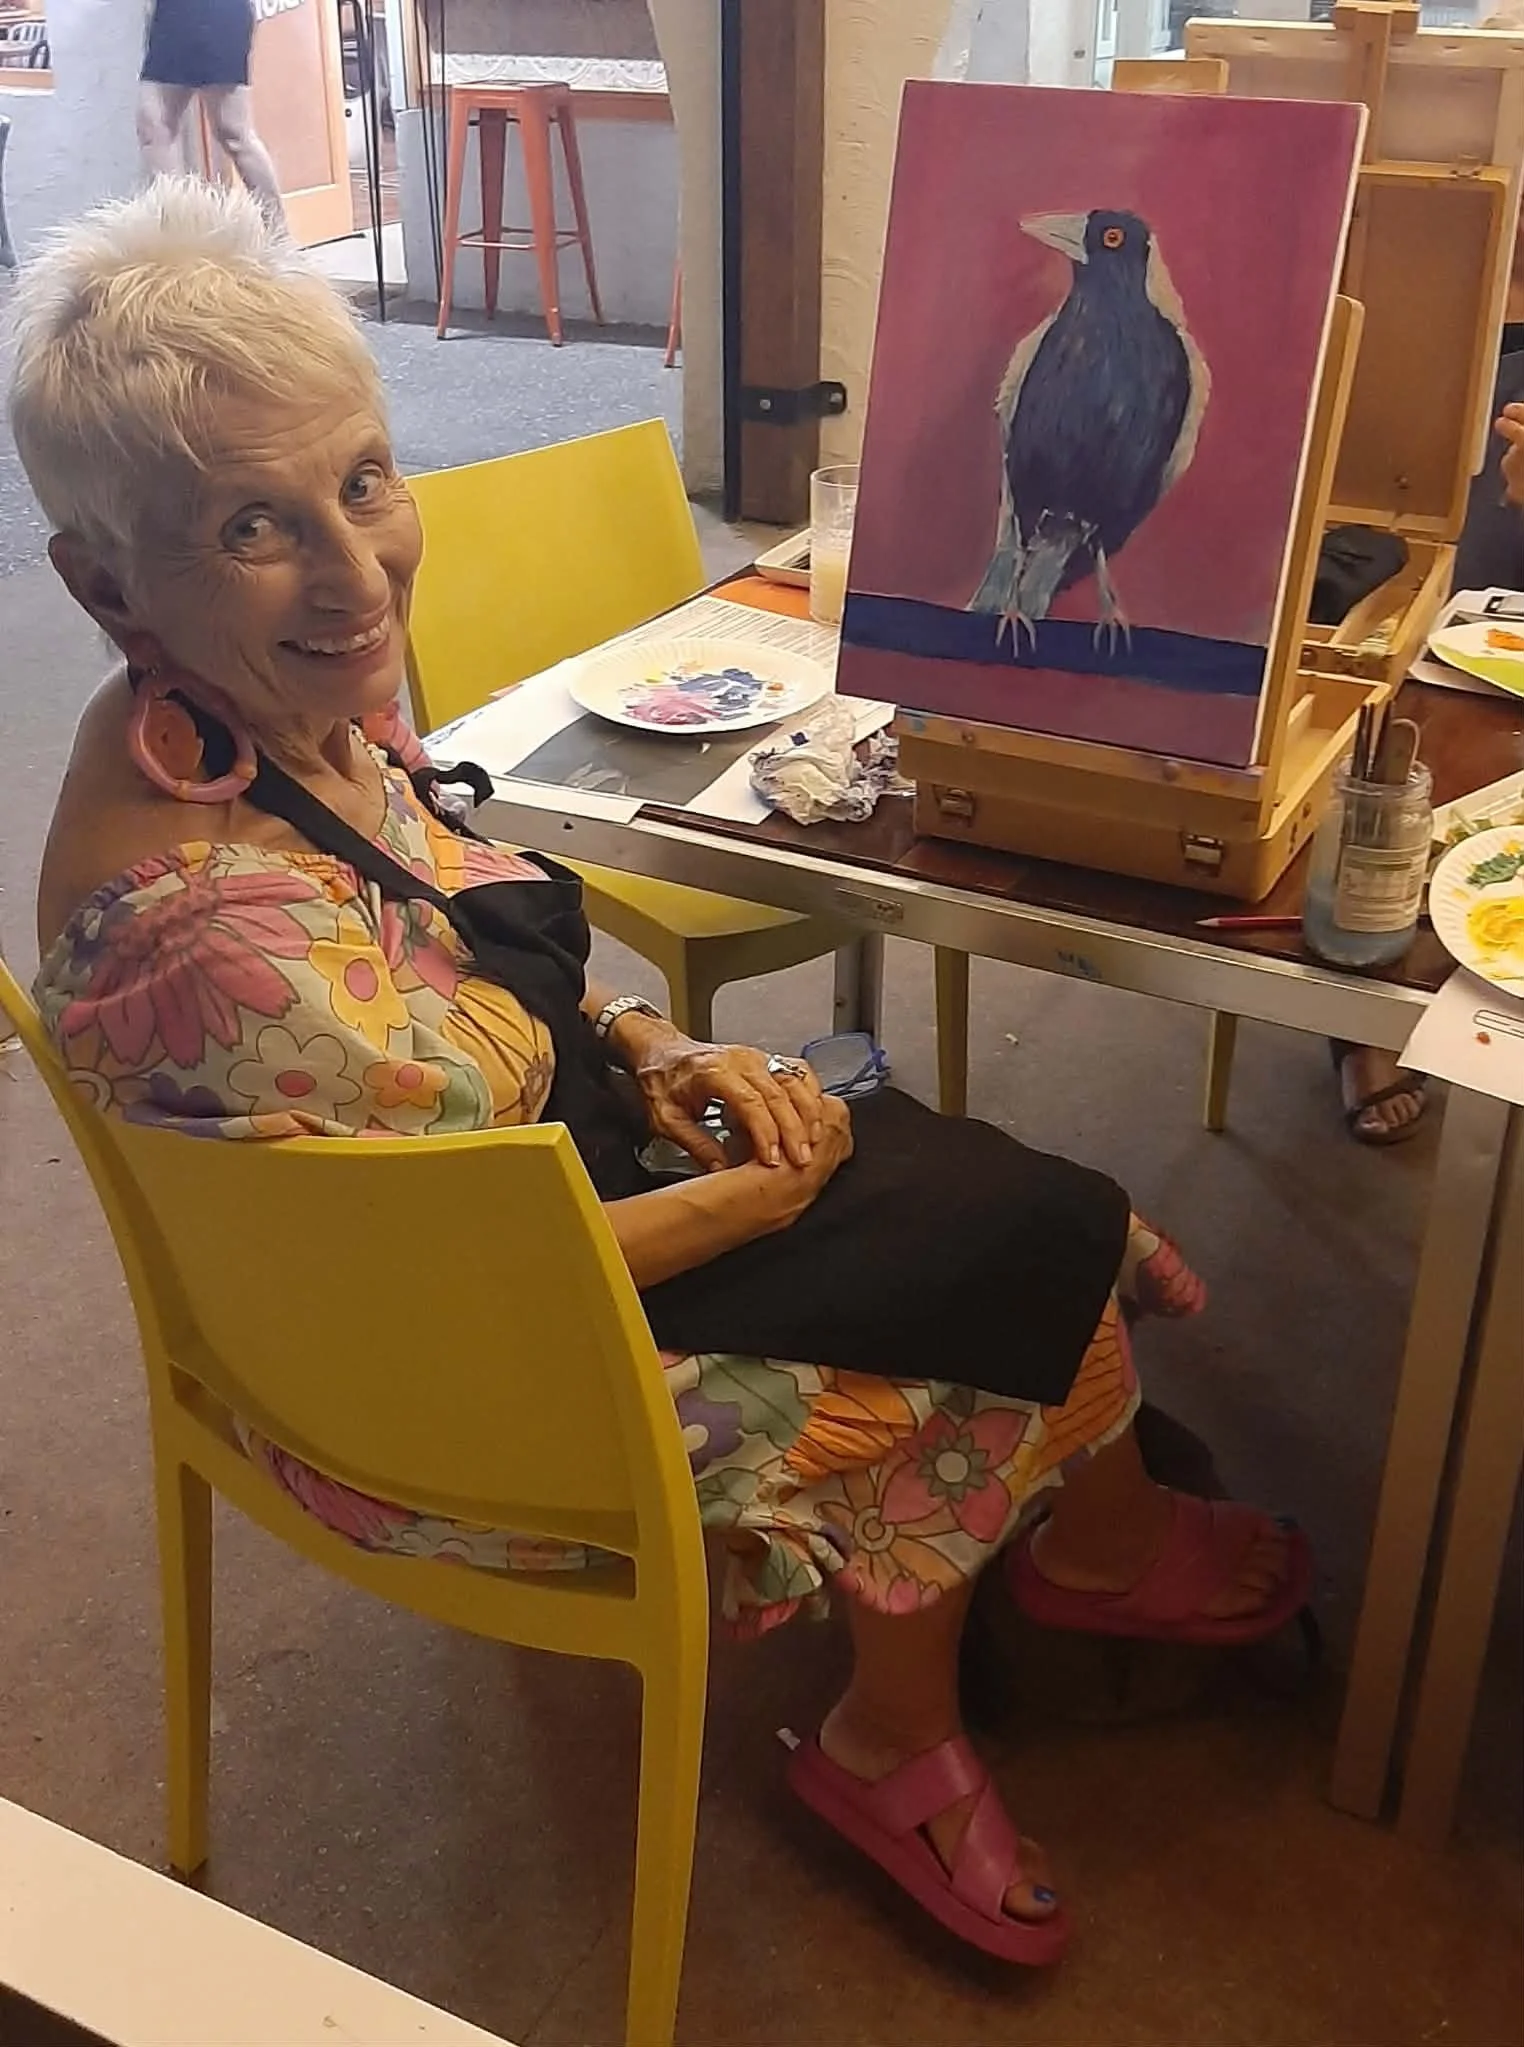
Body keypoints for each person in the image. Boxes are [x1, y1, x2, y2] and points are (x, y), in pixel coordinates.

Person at [13, 179, 1308, 1970]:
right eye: (251, 523)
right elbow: (464, 1277)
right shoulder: (204, 938)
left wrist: (650, 1036)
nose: (353, 573)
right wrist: (759, 1189)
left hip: (533, 1187)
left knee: (969, 1174)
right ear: (99, 579)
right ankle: (888, 1732)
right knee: (1003, 1232)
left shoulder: (259, 704)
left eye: (363, 481)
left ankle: (1080, 1535)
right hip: (452, 1388)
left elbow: (452, 931)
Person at [136, 0, 287, 231]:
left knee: (233, 132)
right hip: (171, 13)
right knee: (155, 128)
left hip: (216, 10)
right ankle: (178, 234)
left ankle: (279, 236)